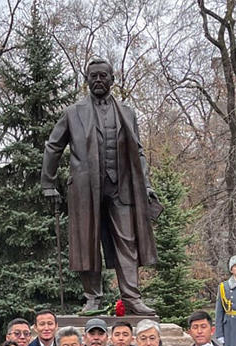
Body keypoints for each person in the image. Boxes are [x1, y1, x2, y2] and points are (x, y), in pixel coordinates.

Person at [42, 58, 159, 315]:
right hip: (85, 189)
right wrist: (48, 182)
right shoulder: (74, 112)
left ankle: (131, 298)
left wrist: (146, 185)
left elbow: (138, 152)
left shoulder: (126, 112)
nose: (98, 80)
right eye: (93, 76)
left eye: (102, 76)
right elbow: (53, 145)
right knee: (87, 242)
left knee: (127, 242)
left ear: (112, 80)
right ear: (87, 80)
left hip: (122, 188)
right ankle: (92, 299)